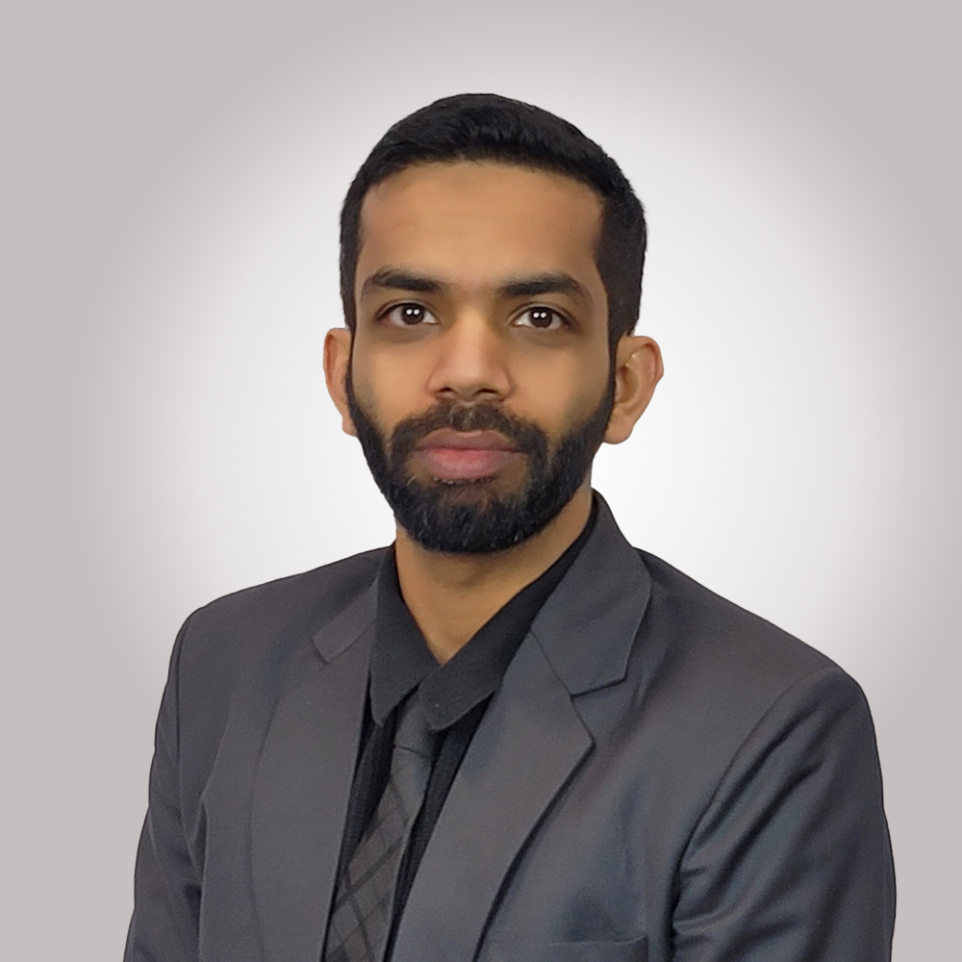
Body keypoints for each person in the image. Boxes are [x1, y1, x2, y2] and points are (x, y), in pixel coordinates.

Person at [125, 94, 895, 962]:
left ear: (626, 385)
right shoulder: (222, 662)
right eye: (410, 313)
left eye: (539, 318)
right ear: (343, 376)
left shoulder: (773, 727)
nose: (467, 373)